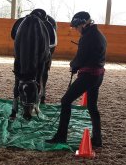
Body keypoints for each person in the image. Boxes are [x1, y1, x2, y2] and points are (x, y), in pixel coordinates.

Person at [45, 11, 107, 148]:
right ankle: (97, 139)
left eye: (77, 27)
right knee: (92, 107)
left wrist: (73, 65)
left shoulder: (88, 38)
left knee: (66, 101)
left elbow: (80, 59)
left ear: (84, 24)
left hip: (88, 76)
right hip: (98, 76)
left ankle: (61, 136)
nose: (76, 30)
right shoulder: (99, 35)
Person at [10, 9, 58, 105]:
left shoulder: (48, 24)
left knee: (43, 70)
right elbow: (13, 37)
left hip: (42, 54)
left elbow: (53, 44)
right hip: (22, 53)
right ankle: (17, 97)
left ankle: (42, 93)